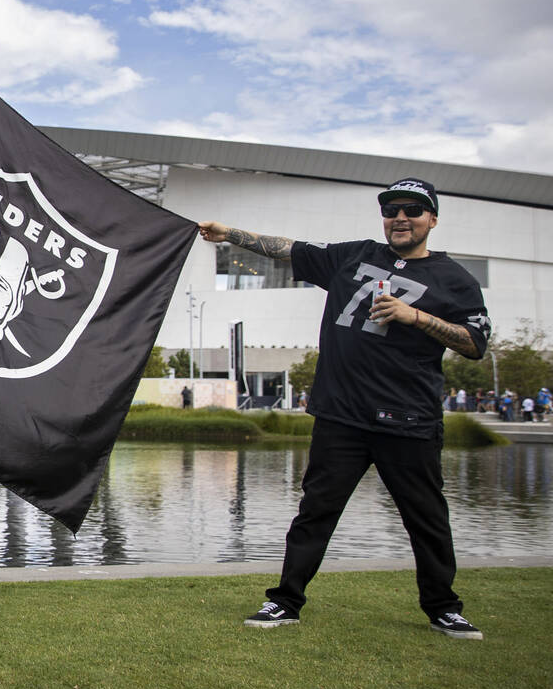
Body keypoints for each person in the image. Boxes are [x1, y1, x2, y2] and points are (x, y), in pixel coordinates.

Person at [198, 177, 491, 640]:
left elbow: (476, 344)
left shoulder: (455, 279)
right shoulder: (355, 255)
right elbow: (289, 248)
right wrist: (230, 234)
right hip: (341, 417)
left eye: (413, 210)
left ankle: (443, 609)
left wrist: (417, 316)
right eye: (392, 209)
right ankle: (284, 602)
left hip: (409, 420)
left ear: (431, 220)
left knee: (427, 520)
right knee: (315, 512)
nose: (400, 217)